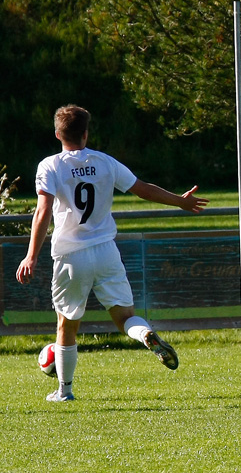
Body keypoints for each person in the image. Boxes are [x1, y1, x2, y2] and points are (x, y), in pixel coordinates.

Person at [16, 105, 209, 401]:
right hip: (106, 251)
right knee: (125, 317)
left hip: (71, 256)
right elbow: (142, 188)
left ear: (58, 134)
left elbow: (43, 211)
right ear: (86, 134)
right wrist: (179, 202)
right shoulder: (104, 162)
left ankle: (64, 391)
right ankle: (145, 335)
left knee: (66, 325)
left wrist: (31, 256)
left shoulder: (50, 165)